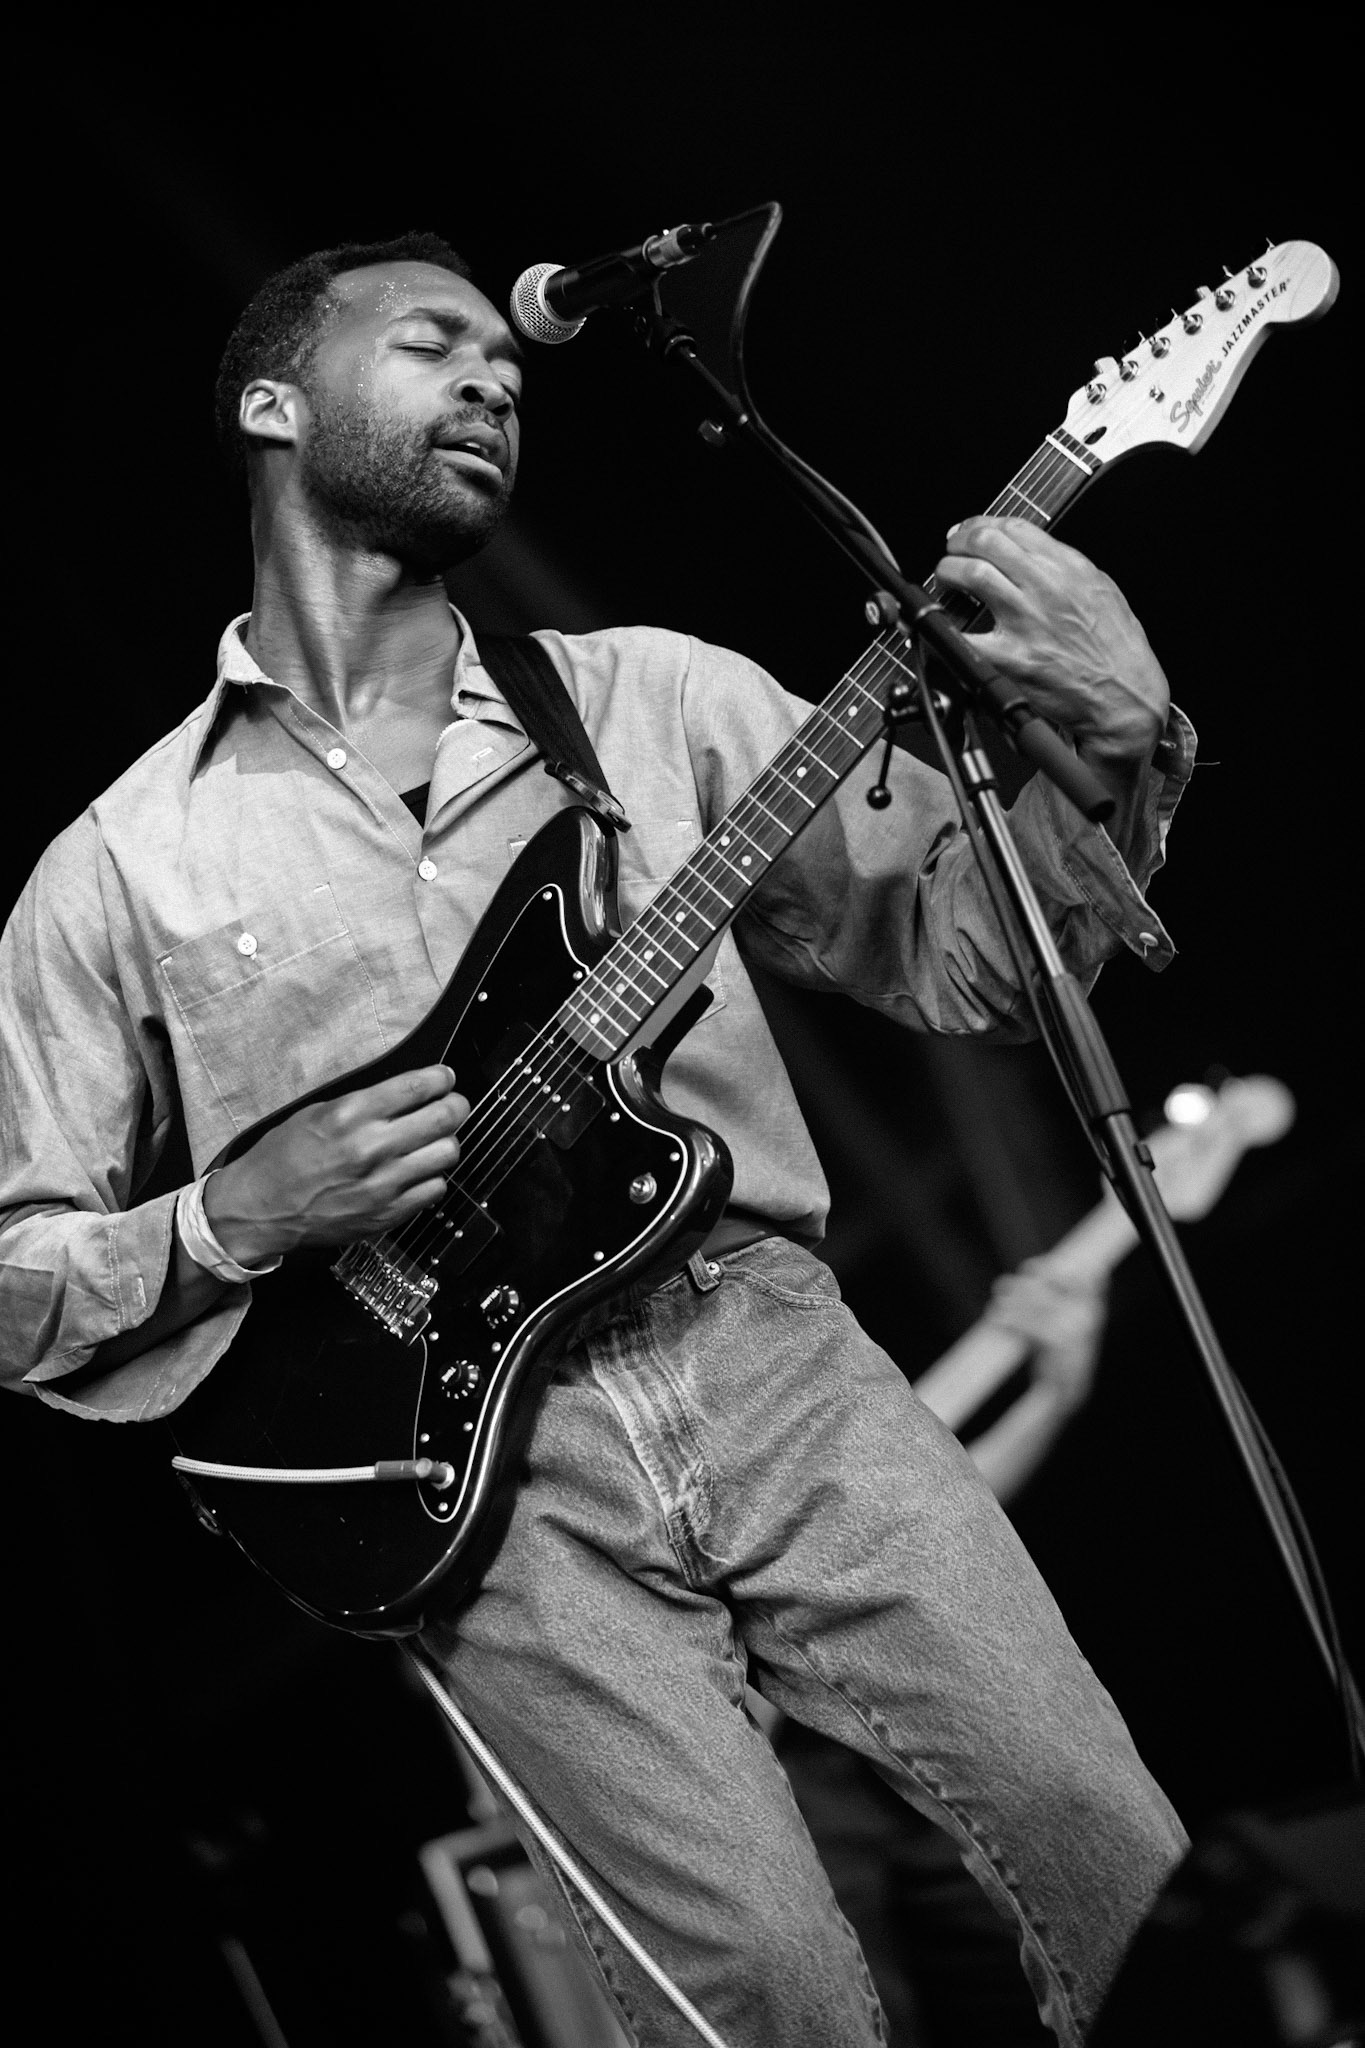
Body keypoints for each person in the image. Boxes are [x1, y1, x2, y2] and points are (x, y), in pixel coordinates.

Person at [0, 232, 1196, 2047]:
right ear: (273, 405)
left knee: (1114, 1851)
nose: (493, 376)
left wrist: (1109, 752)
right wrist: (231, 1217)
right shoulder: (119, 864)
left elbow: (964, 962)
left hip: (765, 1352)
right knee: (761, 1997)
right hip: (478, 1485)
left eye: (506, 361)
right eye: (432, 344)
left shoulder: (648, 698)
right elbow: (17, 1278)